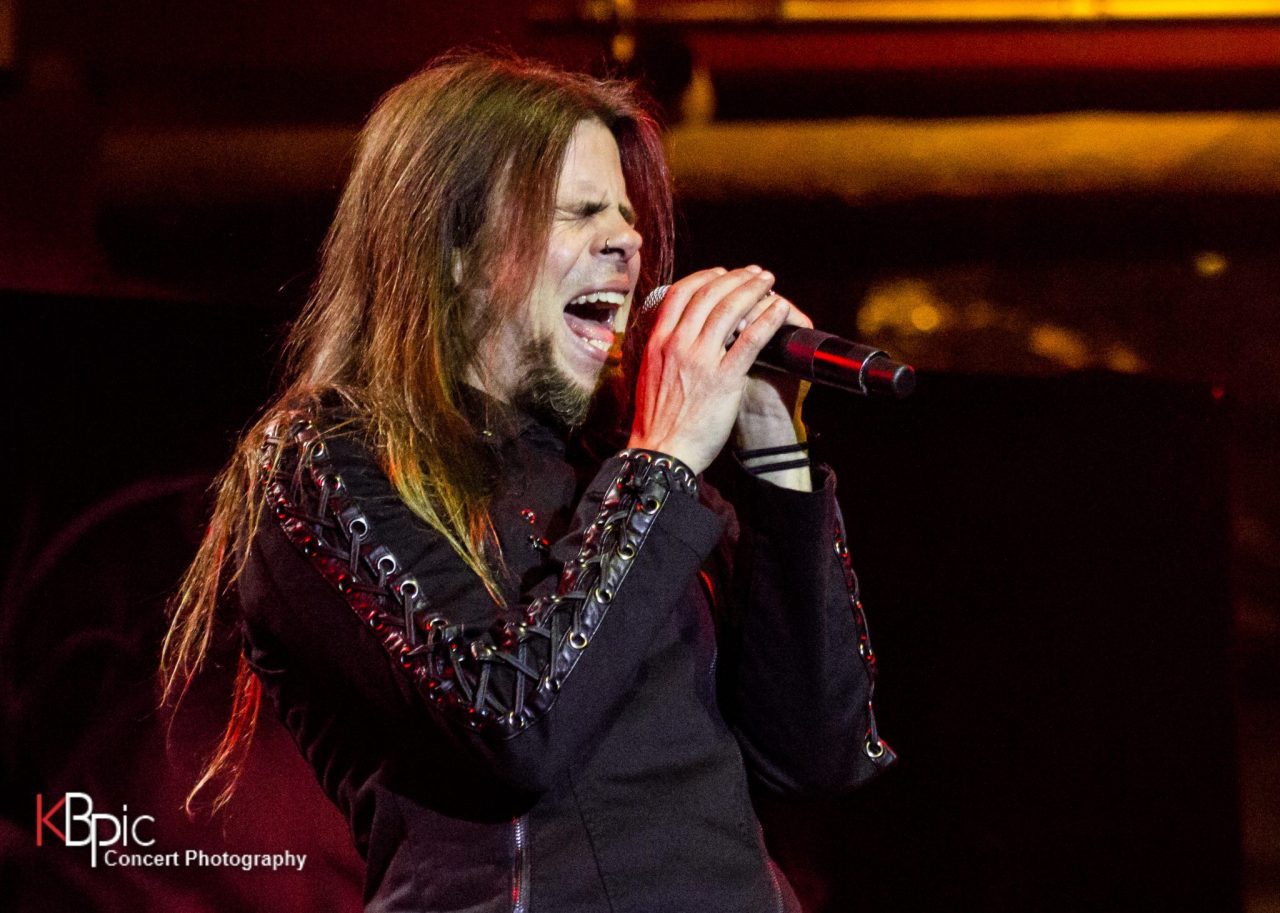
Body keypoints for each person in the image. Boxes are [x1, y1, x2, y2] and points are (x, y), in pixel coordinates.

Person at [162, 52, 894, 913]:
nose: (628, 242)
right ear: (455, 249)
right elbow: (511, 723)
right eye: (580, 213)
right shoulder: (330, 463)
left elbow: (815, 753)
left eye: (627, 216)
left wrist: (774, 451)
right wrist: (660, 461)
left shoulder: (623, 475)